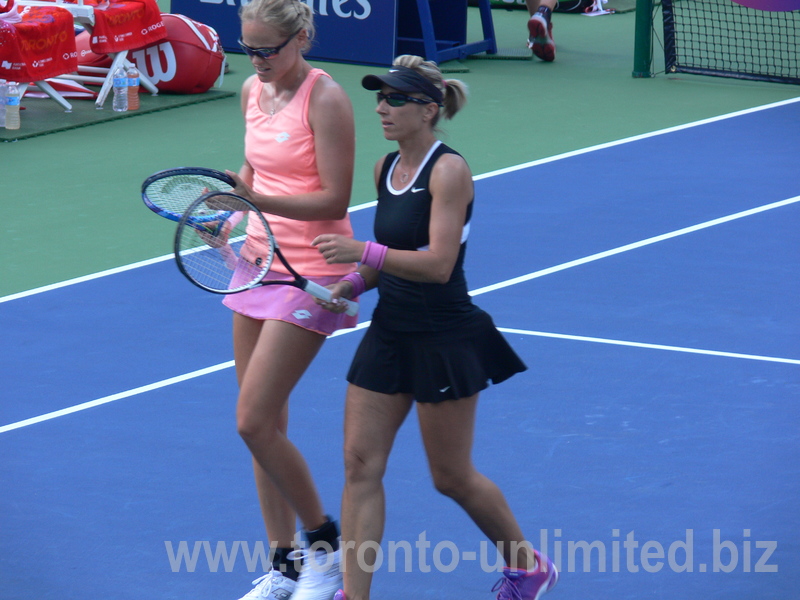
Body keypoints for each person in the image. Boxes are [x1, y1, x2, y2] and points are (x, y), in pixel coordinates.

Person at [312, 55, 559, 600]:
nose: (381, 108)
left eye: (395, 99)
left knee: (450, 476)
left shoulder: (449, 171)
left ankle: (529, 567)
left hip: (444, 335)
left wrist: (363, 249)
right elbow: (384, 260)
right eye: (379, 98)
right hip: (390, 331)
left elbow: (438, 263)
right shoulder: (384, 169)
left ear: (428, 110)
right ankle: (354, 596)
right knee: (359, 464)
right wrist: (353, 282)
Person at [222, 0, 357, 598]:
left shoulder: (326, 98)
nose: (255, 60)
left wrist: (258, 206)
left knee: (251, 420)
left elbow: (333, 199)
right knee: (265, 426)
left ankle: (325, 551)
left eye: (266, 50)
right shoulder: (252, 90)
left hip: (311, 271)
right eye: (247, 48)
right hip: (254, 263)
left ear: (300, 38)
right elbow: (253, 174)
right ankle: (285, 567)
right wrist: (230, 210)